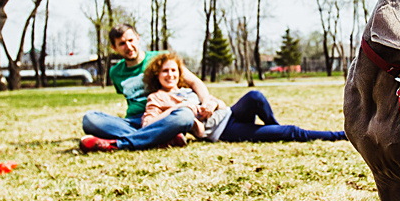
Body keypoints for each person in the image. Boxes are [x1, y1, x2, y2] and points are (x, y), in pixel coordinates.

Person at [140, 52, 346, 144]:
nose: (170, 75)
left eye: (173, 70)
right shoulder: (157, 97)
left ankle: (274, 130)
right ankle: (339, 135)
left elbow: (215, 101)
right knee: (291, 131)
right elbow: (147, 124)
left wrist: (211, 103)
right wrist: (178, 110)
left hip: (229, 113)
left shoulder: (188, 89)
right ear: (157, 75)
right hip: (223, 130)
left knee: (255, 96)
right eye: (165, 71)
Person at [79, 25, 219, 152]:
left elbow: (195, 82)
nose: (128, 46)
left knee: (185, 117)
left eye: (131, 40)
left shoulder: (159, 58)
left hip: (164, 117)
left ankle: (119, 144)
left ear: (138, 39)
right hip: (133, 121)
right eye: (122, 44)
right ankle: (160, 138)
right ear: (114, 48)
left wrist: (206, 102)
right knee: (89, 119)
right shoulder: (115, 72)